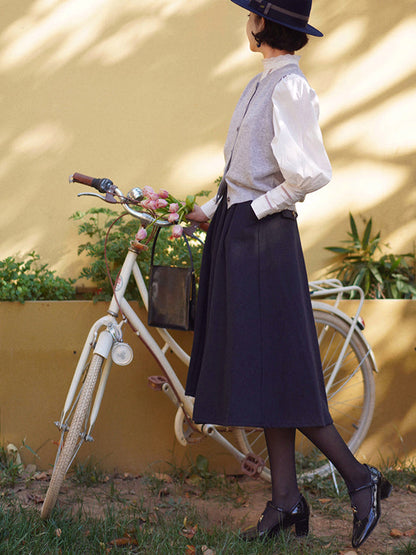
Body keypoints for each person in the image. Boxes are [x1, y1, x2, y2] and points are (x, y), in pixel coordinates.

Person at [185, 0, 392, 548]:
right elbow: (244, 171)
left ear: (261, 24)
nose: (246, 21)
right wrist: (212, 207)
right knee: (263, 374)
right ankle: (285, 501)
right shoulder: (261, 82)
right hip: (238, 233)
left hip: (264, 241)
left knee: (285, 375)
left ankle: (360, 479)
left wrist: (249, 211)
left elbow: (308, 174)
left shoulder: (290, 88)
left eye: (250, 13)